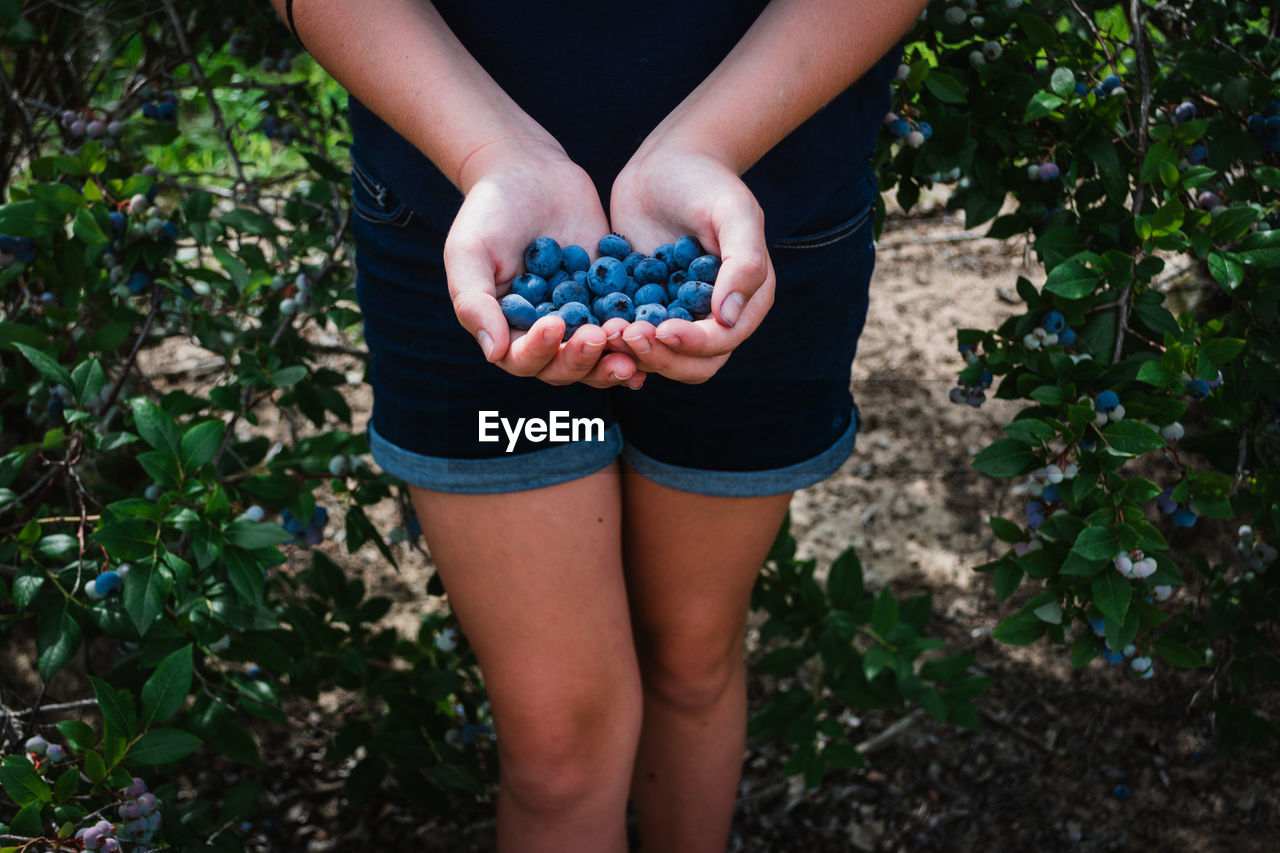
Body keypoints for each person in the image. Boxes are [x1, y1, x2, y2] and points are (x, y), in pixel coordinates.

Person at [271, 2, 926, 850]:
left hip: (757, 228)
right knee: (560, 743)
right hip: (468, 232)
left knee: (692, 660)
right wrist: (493, 159)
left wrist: (704, 146)